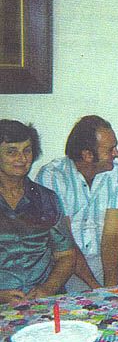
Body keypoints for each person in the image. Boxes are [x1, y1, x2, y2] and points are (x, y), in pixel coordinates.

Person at [36, 115, 118, 292]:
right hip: (67, 267)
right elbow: (64, 243)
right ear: (88, 155)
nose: (116, 153)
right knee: (82, 308)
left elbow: (113, 235)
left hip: (105, 262)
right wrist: (96, 288)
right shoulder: (52, 176)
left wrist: (111, 289)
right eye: (110, 149)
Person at [0, 120, 75, 304]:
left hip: (43, 300)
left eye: (27, 150)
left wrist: (47, 288)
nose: (22, 158)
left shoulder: (47, 199)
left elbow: (66, 255)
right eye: (11, 152)